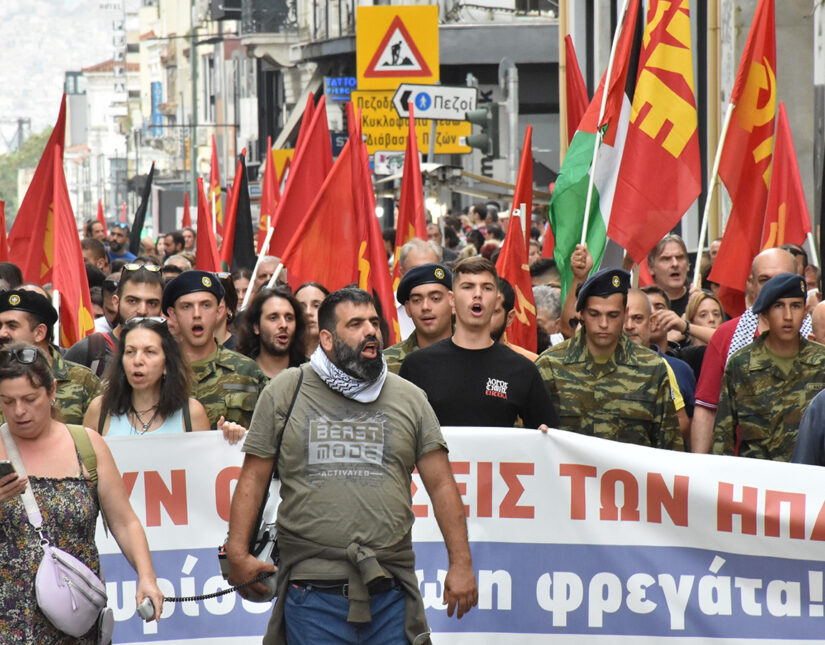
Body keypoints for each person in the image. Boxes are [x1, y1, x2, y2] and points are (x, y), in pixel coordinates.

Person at [226, 288, 477, 644]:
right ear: (326, 338)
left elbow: (442, 485)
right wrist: (237, 554)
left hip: (391, 595)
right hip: (310, 595)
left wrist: (462, 563)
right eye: (356, 324)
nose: (370, 331)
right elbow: (252, 478)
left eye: (374, 322)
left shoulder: (410, 398)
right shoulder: (286, 390)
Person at [0, 343, 164, 640]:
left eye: (29, 399)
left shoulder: (86, 445)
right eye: (7, 401)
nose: (19, 411)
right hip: (9, 622)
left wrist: (146, 577)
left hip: (75, 616)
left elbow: (124, 521)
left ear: (52, 391)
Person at [400, 257, 557, 429]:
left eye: (486, 288)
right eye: (468, 287)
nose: (477, 294)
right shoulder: (417, 366)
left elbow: (547, 435)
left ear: (496, 300)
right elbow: (401, 435)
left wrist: (544, 434)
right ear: (451, 299)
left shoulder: (522, 369)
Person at [536, 268, 679, 449]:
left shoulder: (652, 368)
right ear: (581, 314)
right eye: (594, 314)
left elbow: (669, 445)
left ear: (624, 314)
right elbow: (528, 442)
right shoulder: (550, 366)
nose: (603, 324)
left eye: (613, 315)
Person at [691, 248, 807, 453]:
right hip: (745, 472)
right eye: (764, 279)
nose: (774, 287)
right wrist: (697, 472)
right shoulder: (726, 336)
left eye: (781, 279)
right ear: (751, 284)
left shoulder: (817, 336)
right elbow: (707, 410)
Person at [713, 273, 825, 460]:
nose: (788, 316)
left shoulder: (821, 362)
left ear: (806, 312)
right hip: (757, 483)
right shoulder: (741, 365)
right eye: (779, 306)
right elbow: (722, 438)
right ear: (765, 313)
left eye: (795, 306)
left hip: (809, 482)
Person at [82, 317, 219, 437]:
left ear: (166, 364)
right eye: (130, 352)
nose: (137, 360)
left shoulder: (191, 413)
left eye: (150, 352)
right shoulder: (99, 410)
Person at [162, 270, 266, 428]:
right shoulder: (159, 370)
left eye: (205, 305)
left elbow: (265, 436)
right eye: (186, 307)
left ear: (219, 312)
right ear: (173, 314)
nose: (197, 314)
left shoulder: (246, 371)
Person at [0, 289, 102, 425]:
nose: (2, 333)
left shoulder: (83, 380)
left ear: (39, 332)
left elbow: (97, 437)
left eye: (12, 326)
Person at [66, 264, 165, 378]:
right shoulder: (89, 350)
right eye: (132, 301)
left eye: (152, 303)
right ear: (116, 302)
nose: (142, 311)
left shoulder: (172, 352)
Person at [624, 288, 695, 446]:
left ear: (651, 322)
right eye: (623, 319)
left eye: (637, 318)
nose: (629, 326)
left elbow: (685, 423)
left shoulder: (666, 368)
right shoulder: (605, 364)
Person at [384, 264, 453, 373]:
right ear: (408, 309)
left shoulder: (474, 352)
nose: (425, 307)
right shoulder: (386, 364)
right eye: (417, 300)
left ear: (452, 301)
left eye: (435, 298)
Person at [236, 288, 307, 379]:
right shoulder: (239, 374)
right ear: (256, 327)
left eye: (289, 318)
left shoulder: (308, 375)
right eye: (273, 318)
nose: (284, 325)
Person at [394, 239, 442, 339]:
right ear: (402, 273)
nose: (422, 278)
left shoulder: (453, 305)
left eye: (429, 270)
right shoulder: (385, 308)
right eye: (415, 271)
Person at [646, 234, 691, 316]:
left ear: (687, 265)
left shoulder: (702, 301)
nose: (675, 264)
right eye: (666, 259)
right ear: (651, 268)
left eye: (680, 257)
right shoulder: (642, 304)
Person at [294, 282, 328, 357]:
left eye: (316, 306)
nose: (308, 312)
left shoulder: (340, 357)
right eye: (301, 307)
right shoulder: (283, 357)